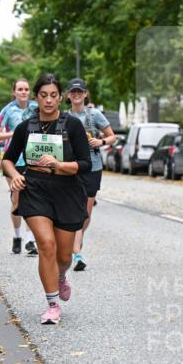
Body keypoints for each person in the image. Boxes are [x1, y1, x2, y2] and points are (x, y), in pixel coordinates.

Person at [1, 73, 92, 325]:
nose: (49, 100)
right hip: (36, 190)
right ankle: (52, 305)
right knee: (46, 245)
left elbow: (85, 163)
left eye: (53, 95)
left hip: (66, 191)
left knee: (63, 257)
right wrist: (14, 176)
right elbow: (7, 159)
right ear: (36, 97)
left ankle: (61, 276)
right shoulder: (26, 127)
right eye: (43, 95)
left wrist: (59, 164)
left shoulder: (72, 125)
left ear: (60, 97)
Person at [65, 78, 116, 272]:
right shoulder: (63, 117)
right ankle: (77, 253)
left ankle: (77, 240)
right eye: (73, 92)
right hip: (71, 168)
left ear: (86, 94)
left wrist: (101, 142)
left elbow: (112, 136)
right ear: (68, 95)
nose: (76, 94)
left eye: (80, 91)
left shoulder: (94, 115)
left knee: (85, 212)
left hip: (93, 168)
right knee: (74, 210)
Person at [0, 78, 39, 255]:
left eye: (26, 89)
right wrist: (14, 133)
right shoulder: (8, 110)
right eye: (20, 89)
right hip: (12, 160)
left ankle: (30, 240)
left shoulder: (36, 108)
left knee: (31, 199)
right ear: (14, 92)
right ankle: (17, 236)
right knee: (17, 200)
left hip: (33, 159)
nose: (23, 92)